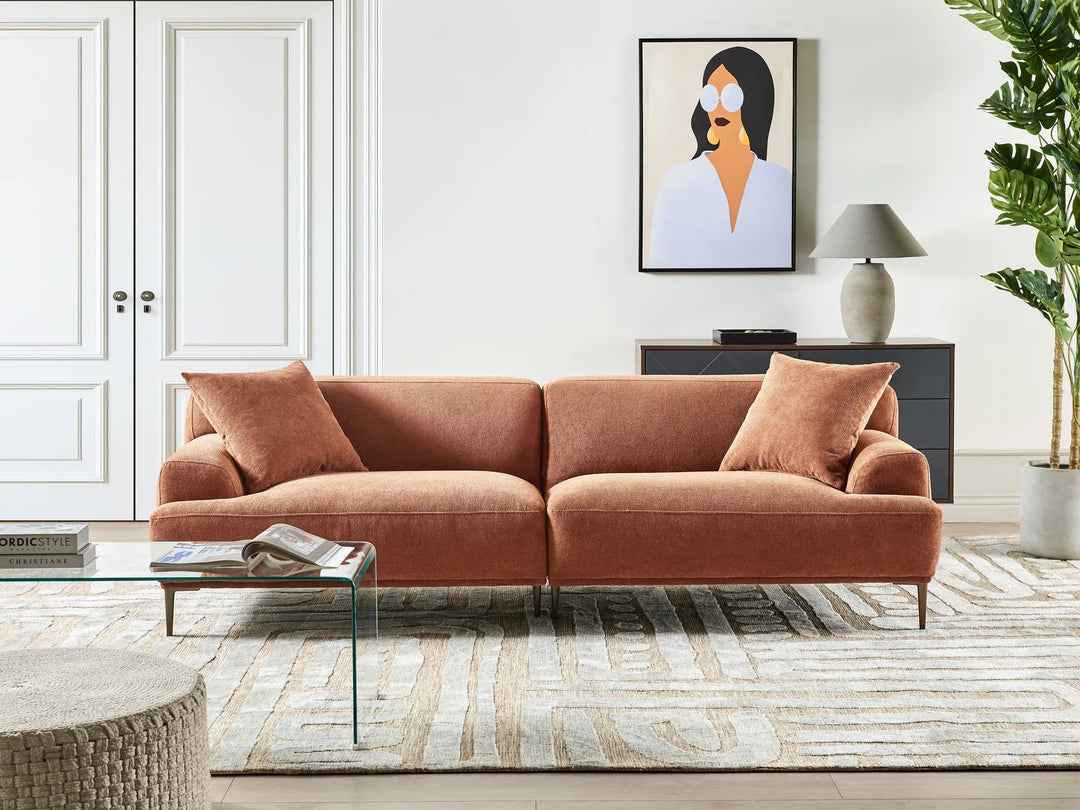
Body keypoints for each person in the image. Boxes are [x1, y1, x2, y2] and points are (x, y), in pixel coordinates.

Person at [649, 46, 793, 269]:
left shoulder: (779, 180)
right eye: (710, 96)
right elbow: (661, 260)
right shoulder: (677, 181)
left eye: (730, 96)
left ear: (753, 100)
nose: (718, 108)